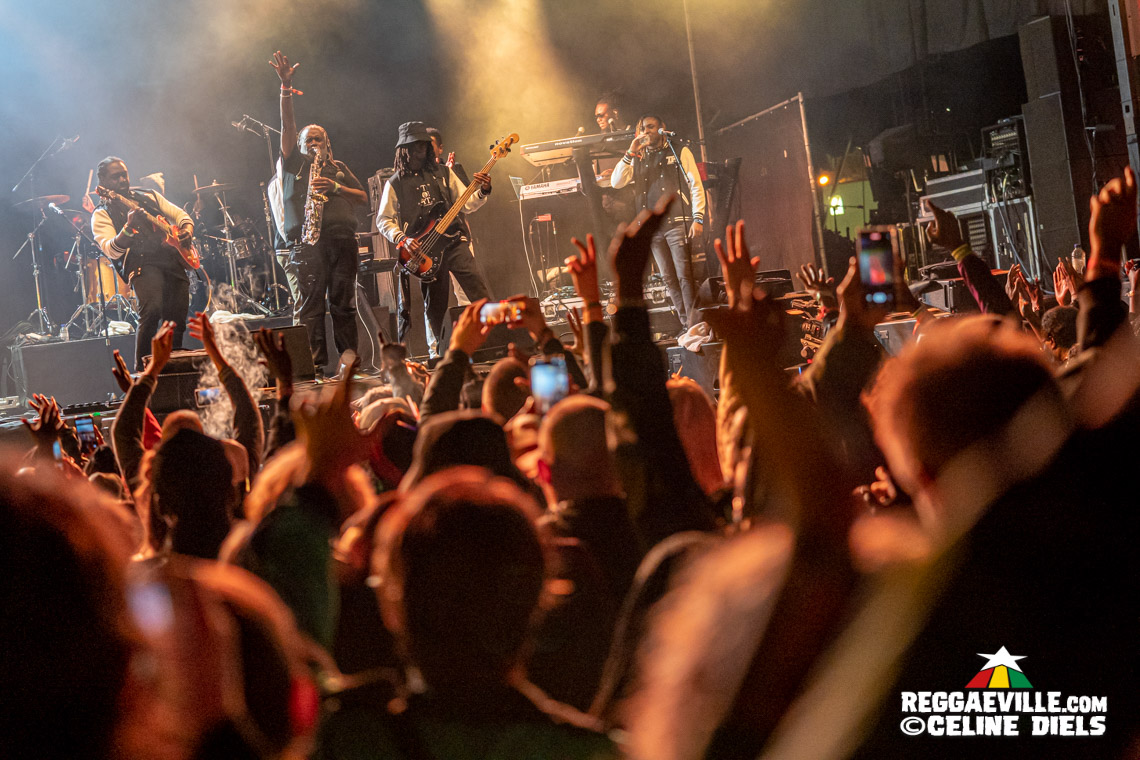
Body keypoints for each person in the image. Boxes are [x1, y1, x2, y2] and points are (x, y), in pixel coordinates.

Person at [270, 50, 369, 373]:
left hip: (343, 242)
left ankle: (349, 365)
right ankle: (312, 368)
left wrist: (337, 188)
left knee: (343, 305)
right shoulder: (294, 164)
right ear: (299, 145)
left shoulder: (337, 167)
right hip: (309, 244)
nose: (314, 143)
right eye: (308, 139)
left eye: (319, 139)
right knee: (312, 307)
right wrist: (286, 89)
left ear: (327, 144)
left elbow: (363, 197)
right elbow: (287, 125)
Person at [376, 121, 493, 358]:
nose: (420, 149)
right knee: (436, 306)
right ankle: (439, 355)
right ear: (404, 150)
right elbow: (383, 220)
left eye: (423, 144)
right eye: (415, 145)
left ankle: (497, 339)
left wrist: (482, 191)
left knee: (478, 289)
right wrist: (402, 239)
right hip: (424, 251)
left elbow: (466, 204)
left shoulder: (443, 173)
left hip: (453, 242)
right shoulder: (395, 183)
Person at [91, 156, 194, 370]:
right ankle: (142, 370)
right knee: (152, 309)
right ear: (103, 182)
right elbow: (111, 249)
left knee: (177, 314)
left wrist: (186, 232)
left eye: (124, 175)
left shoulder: (149, 196)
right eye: (115, 177)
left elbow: (180, 214)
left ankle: (173, 366)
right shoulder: (101, 214)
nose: (121, 180)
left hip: (171, 259)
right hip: (141, 263)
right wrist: (128, 229)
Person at [610, 115, 707, 331]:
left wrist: (698, 217)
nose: (647, 131)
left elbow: (695, 184)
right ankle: (686, 324)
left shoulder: (678, 150)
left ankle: (695, 326)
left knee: (684, 276)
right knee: (668, 278)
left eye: (651, 127)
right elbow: (615, 182)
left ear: (662, 128)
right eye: (643, 128)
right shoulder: (638, 156)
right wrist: (630, 151)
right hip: (652, 230)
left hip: (677, 223)